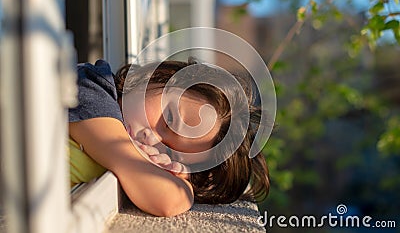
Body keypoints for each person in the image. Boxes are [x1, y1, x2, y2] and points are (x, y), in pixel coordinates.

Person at [68, 58, 270, 217]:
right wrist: (180, 183)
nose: (151, 139)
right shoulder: (88, 87)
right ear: (160, 77)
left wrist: (179, 175)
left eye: (170, 152)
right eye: (169, 119)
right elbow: (168, 199)